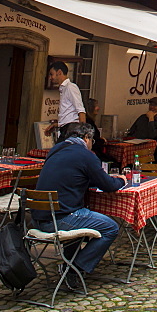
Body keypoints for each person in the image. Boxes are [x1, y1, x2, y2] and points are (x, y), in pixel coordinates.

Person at [32, 122, 126, 287]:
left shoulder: (56, 150)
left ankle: (71, 263)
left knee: (82, 215)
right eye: (92, 141)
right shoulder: (86, 155)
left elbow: (70, 175)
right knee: (111, 228)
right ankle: (74, 268)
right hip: (62, 218)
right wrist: (121, 180)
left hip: (38, 217)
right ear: (87, 138)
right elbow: (108, 185)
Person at [45, 61, 86, 142]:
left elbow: (81, 111)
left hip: (71, 131)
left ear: (59, 72)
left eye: (51, 74)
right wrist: (58, 125)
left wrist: (83, 134)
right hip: (66, 129)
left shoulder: (70, 87)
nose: (50, 78)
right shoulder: (63, 89)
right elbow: (69, 114)